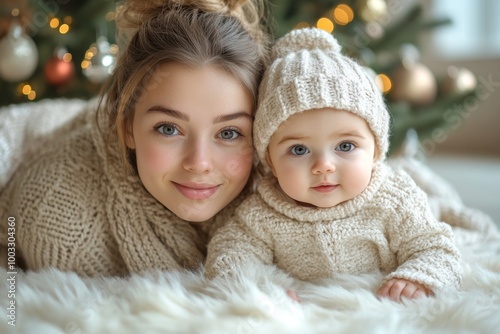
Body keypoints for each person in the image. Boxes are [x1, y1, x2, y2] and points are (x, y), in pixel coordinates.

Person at [0, 0, 270, 276]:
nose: (199, 163)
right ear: (127, 125)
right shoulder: (62, 221)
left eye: (228, 133)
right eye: (168, 128)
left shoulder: (288, 176)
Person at [205, 28, 463, 302]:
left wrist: (415, 277)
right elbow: (229, 253)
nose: (323, 166)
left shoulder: (394, 199)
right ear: (270, 160)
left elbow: (437, 248)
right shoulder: (261, 214)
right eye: (299, 149)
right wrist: (254, 286)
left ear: (375, 149)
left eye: (346, 146)